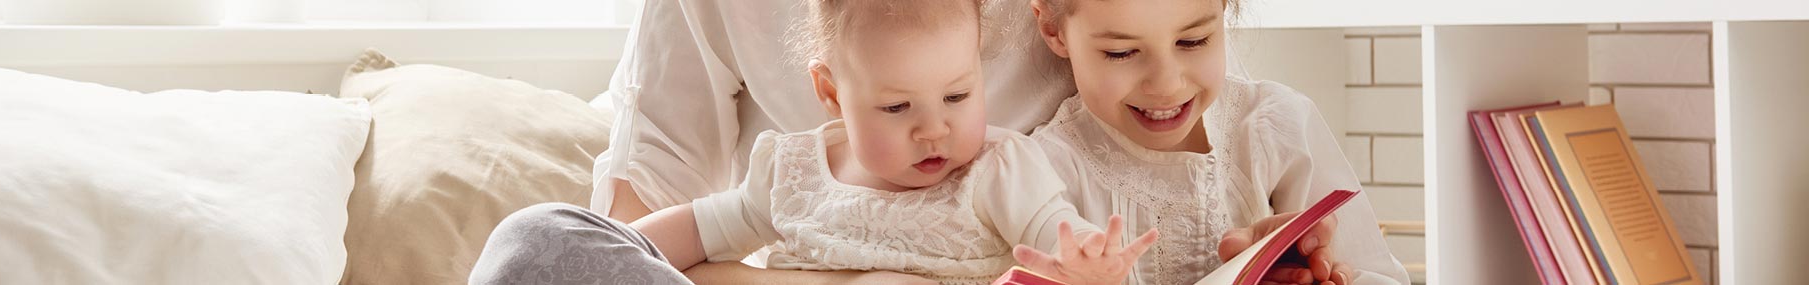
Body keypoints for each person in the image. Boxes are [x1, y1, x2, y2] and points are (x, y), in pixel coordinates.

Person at [471, 1, 1159, 284]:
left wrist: (1091, 264)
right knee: (535, 236)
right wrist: (618, 250)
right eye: (896, 106)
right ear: (831, 92)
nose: (934, 129)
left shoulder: (999, 167)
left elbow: (1054, 235)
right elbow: (699, 227)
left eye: (957, 96)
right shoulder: (796, 168)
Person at [1024, 0, 1412, 284]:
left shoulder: (1276, 126)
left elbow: (1376, 273)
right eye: (1120, 52)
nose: (1167, 85)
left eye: (1193, 41)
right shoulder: (1042, 171)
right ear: (1053, 30)